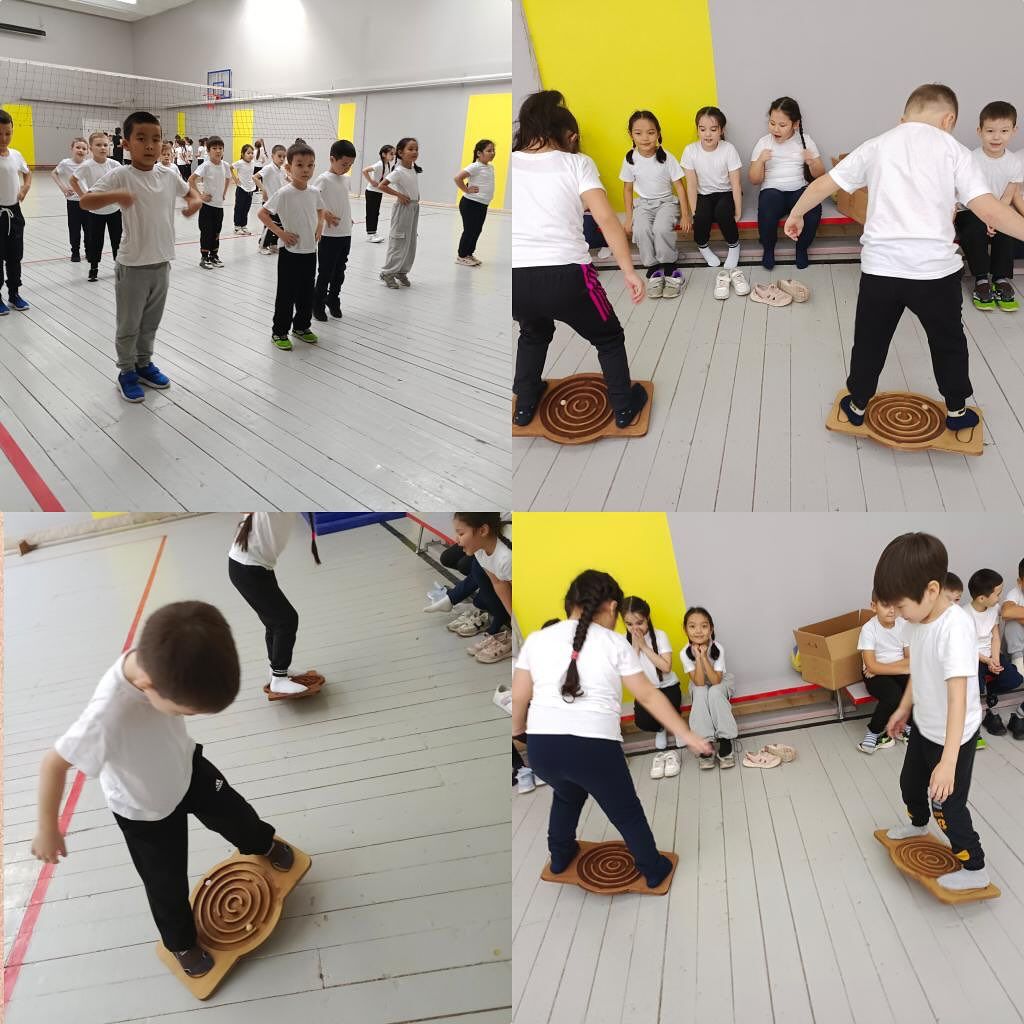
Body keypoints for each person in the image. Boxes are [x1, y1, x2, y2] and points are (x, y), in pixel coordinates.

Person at [30, 600, 297, 980]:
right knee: (165, 882)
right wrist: (48, 828)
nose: (189, 716)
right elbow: (52, 764)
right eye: (186, 712)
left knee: (236, 814)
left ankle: (262, 843)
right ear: (147, 687)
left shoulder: (166, 652)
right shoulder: (107, 715)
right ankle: (181, 942)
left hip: (187, 767)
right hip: (145, 810)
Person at [786, 83, 1024, 432]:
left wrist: (796, 213)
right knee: (948, 343)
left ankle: (857, 403)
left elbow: (824, 184)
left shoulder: (878, 144)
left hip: (881, 271)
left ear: (903, 119)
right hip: (935, 274)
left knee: (870, 342)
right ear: (949, 120)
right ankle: (957, 410)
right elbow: (989, 210)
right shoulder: (955, 151)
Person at [511, 569, 712, 887]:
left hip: (542, 749)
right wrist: (686, 735)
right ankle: (653, 870)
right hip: (594, 750)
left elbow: (520, 696)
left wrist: (519, 732)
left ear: (570, 603)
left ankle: (560, 856)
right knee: (626, 812)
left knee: (566, 795)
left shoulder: (537, 639)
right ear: (613, 607)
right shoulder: (615, 642)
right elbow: (648, 695)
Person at [511, 90, 648, 430]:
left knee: (533, 333)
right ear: (571, 137)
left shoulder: (510, 161)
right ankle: (623, 408)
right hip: (568, 276)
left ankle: (524, 406)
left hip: (515, 279)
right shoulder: (577, 163)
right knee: (609, 337)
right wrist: (629, 271)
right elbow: (606, 220)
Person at [875, 532, 990, 893]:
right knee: (910, 785)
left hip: (954, 737)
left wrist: (949, 762)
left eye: (901, 606)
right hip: (926, 725)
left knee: (948, 807)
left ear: (931, 590)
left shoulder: (954, 629)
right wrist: (903, 708)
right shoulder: (918, 621)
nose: (898, 615)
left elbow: (958, 699)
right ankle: (917, 823)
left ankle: (975, 867)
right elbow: (919, 669)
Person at [80, 111, 202, 403]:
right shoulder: (121, 175)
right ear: (126, 144)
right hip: (132, 265)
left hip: (162, 262)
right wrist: (116, 196)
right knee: (129, 325)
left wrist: (195, 202)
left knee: (150, 323)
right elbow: (85, 201)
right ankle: (126, 371)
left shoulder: (169, 175)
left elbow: (192, 194)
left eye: (156, 139)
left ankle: (144, 364)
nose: (150, 145)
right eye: (141, 139)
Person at [228, 512, 324, 699]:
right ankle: (279, 678)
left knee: (274, 621)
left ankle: (277, 670)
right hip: (248, 568)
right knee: (285, 620)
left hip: (253, 567)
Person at [954, 102, 1024, 311]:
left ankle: (1001, 278)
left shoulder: (1014, 162)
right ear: (980, 131)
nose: (996, 137)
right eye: (990, 131)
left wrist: (996, 218)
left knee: (1006, 229)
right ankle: (982, 279)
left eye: (1004, 131)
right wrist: (986, 218)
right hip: (970, 210)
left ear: (1014, 131)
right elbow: (966, 194)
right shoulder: (971, 159)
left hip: (997, 209)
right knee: (974, 229)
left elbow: (1009, 195)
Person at [257, 141, 326, 350]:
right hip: (290, 253)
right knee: (286, 295)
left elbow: (321, 210)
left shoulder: (314, 192)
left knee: (306, 293)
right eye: (300, 165)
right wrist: (281, 233)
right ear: (288, 167)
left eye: (310, 165)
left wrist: (319, 226)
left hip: (310, 251)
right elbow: (263, 213)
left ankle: (301, 327)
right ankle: (279, 332)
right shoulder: (284, 193)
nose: (306, 170)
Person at [620, 109, 691, 298]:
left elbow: (680, 187)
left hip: (666, 203)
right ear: (631, 135)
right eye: (638, 133)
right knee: (641, 229)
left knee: (661, 229)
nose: (645, 138)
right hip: (643, 205)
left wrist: (685, 215)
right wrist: (629, 218)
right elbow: (627, 190)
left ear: (658, 133)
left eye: (650, 132)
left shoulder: (666, 157)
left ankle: (669, 265)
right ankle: (653, 268)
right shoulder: (630, 159)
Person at [749, 96, 825, 269]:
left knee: (813, 208)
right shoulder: (763, 142)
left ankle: (801, 248)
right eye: (772, 123)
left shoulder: (805, 140)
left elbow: (820, 175)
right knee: (768, 205)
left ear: (795, 124)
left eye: (782, 125)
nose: (775, 129)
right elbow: (754, 180)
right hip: (772, 191)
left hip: (799, 189)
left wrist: (811, 162)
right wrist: (760, 161)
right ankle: (768, 249)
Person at [682, 105, 747, 299]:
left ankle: (734, 245)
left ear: (721, 130)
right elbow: (691, 185)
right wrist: (694, 210)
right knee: (701, 217)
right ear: (697, 130)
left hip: (725, 192)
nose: (707, 134)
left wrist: (738, 211)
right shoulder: (690, 151)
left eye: (713, 129)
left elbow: (735, 183)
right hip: (703, 194)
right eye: (702, 129)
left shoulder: (728, 149)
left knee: (723, 213)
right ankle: (703, 247)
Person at [621, 595, 685, 779]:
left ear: (647, 618)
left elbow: (666, 667)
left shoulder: (660, 635)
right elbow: (628, 673)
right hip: (646, 690)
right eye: (629, 624)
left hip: (667, 686)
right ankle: (661, 729)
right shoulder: (623, 641)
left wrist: (644, 647)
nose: (635, 628)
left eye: (639, 623)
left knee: (670, 707)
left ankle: (676, 727)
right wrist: (635, 648)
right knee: (643, 721)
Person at [967, 568, 1024, 737]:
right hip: (974, 658)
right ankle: (974, 724)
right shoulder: (964, 615)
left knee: (1014, 679)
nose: (1000, 597)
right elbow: (966, 647)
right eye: (997, 594)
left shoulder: (994, 608)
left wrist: (996, 659)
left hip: (992, 655)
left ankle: (991, 692)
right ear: (982, 598)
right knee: (975, 689)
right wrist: (987, 660)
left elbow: (996, 637)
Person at [681, 606, 738, 769]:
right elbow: (699, 683)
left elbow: (716, 680)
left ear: (711, 629)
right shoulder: (684, 653)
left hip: (720, 682)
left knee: (714, 692)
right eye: (692, 626)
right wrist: (698, 658)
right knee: (700, 693)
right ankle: (705, 744)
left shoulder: (718, 648)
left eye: (704, 626)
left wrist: (704, 657)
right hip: (698, 683)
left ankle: (725, 742)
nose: (698, 631)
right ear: (685, 630)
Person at [856, 593, 911, 753]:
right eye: (886, 605)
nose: (892, 610)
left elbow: (910, 659)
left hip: (886, 670)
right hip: (874, 676)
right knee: (893, 695)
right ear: (874, 607)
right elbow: (870, 666)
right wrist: (878, 668)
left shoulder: (903, 625)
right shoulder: (869, 629)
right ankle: (874, 732)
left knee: (916, 685)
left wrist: (880, 666)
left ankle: (908, 727)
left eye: (896, 605)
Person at [312, 139, 356, 321]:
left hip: (345, 232)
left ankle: (333, 298)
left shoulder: (346, 179)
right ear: (332, 159)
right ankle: (317, 303)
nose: (347, 168)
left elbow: (342, 200)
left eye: (350, 165)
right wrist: (324, 214)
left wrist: (348, 217)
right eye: (344, 164)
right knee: (325, 272)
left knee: (340, 270)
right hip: (329, 235)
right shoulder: (323, 179)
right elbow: (312, 200)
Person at [71, 130, 121, 282]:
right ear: (91, 148)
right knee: (95, 242)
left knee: (117, 240)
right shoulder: (87, 166)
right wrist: (83, 197)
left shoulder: (114, 164)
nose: (103, 148)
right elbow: (73, 180)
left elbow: (124, 180)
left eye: (105, 145)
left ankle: (119, 267)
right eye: (98, 145)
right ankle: (93, 268)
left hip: (114, 210)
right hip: (95, 212)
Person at [376, 137, 421, 288]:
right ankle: (388, 272)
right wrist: (399, 195)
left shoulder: (412, 169)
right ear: (400, 153)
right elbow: (382, 185)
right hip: (403, 208)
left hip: (414, 207)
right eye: (410, 149)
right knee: (399, 240)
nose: (414, 152)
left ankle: (401, 271)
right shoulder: (399, 171)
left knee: (410, 241)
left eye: (416, 149)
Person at [0, 109, 30, 315]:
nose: (4, 138)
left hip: (14, 213)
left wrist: (25, 188)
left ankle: (14, 293)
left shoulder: (16, 155)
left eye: (8, 133)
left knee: (15, 256)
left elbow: (27, 173)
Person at [189, 135, 230, 268]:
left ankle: (214, 256)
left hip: (219, 206)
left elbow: (228, 178)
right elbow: (191, 180)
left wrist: (224, 193)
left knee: (216, 232)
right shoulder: (206, 165)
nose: (218, 151)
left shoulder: (225, 165)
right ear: (208, 151)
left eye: (220, 148)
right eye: (214, 148)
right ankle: (204, 257)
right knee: (207, 232)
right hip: (207, 207)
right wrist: (200, 196)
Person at [454, 138, 496, 266]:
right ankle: (461, 256)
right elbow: (458, 178)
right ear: (479, 153)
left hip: (482, 205)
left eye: (493, 150)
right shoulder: (475, 166)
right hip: (471, 204)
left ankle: (469, 254)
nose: (492, 153)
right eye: (489, 150)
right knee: (469, 230)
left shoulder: (489, 167)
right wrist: (466, 190)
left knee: (477, 230)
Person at [51, 136, 89, 262]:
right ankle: (75, 252)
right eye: (78, 147)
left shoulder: (89, 164)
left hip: (87, 202)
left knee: (89, 229)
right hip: (73, 202)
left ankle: (89, 251)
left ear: (87, 151)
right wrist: (63, 187)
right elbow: (54, 173)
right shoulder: (66, 163)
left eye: (84, 148)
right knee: (74, 229)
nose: (81, 150)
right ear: (71, 149)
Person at [1000, 558, 1024, 739]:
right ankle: (1019, 662)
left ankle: (1020, 715)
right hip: (1016, 649)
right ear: (1019, 581)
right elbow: (1007, 612)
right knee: (1012, 623)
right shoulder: (1015, 593)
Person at [254, 144, 288, 254]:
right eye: (279, 156)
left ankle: (273, 244)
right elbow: (255, 177)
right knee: (270, 225)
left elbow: (288, 179)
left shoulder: (282, 169)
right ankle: (262, 246)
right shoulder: (268, 168)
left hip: (279, 202)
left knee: (279, 225)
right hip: (269, 202)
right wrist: (263, 189)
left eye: (284, 157)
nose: (282, 159)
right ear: (273, 156)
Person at [361, 144, 395, 242]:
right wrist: (371, 181)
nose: (393, 156)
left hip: (378, 192)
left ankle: (373, 232)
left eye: (394, 154)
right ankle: (370, 235)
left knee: (375, 213)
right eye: (391, 154)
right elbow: (364, 171)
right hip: (371, 192)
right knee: (371, 213)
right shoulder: (379, 164)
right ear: (384, 154)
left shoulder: (387, 164)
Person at [231, 143, 258, 234]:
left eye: (252, 153)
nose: (251, 155)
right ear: (243, 154)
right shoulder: (240, 163)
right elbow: (230, 168)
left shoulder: (253, 163)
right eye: (248, 153)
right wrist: (235, 179)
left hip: (250, 189)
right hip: (241, 189)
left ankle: (244, 226)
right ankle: (237, 227)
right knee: (239, 208)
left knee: (246, 208)